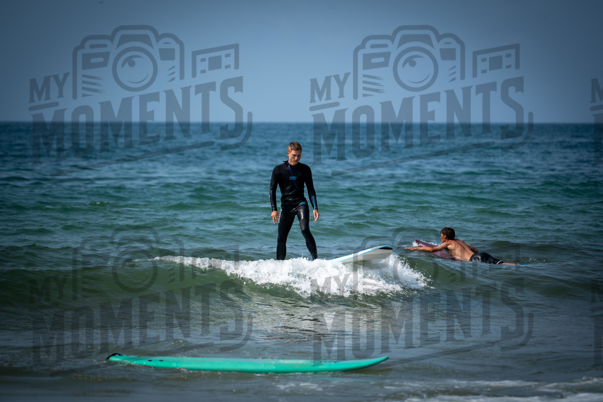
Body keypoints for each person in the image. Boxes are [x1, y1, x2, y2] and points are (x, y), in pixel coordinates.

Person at [269, 142, 319, 260]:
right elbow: (272, 190)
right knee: (281, 238)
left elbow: (311, 189)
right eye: (294, 155)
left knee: (305, 230)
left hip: (301, 203)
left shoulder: (305, 169)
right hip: (286, 206)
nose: (296, 158)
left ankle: (315, 259)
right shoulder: (278, 170)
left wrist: (315, 207)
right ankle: (279, 265)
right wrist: (274, 209)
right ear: (288, 153)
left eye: (299, 155)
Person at [405, 227, 517, 265]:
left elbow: (433, 250)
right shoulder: (460, 241)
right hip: (482, 255)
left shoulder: (447, 243)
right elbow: (475, 249)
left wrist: (416, 248)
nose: (440, 237)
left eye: (441, 235)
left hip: (474, 259)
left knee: (495, 268)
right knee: (502, 264)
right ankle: (518, 265)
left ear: (445, 236)